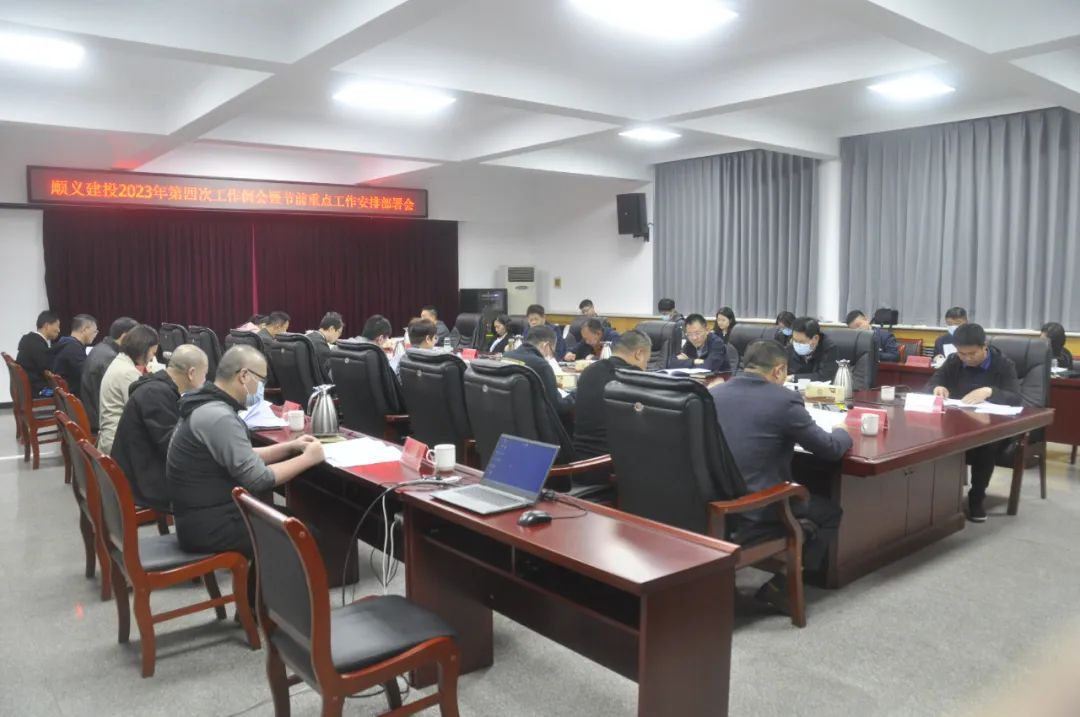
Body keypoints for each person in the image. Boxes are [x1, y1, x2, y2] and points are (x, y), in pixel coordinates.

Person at [710, 340, 849, 611]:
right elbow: (830, 450)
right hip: (756, 508)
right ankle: (783, 586)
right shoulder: (783, 400)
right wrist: (842, 431)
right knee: (830, 512)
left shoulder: (716, 394)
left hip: (716, 503)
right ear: (778, 371)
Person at [166, 345, 325, 558]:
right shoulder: (218, 416)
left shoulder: (205, 404)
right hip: (210, 526)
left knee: (293, 519)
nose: (262, 387)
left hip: (200, 517)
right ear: (244, 376)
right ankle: (267, 580)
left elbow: (243, 456)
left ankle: (262, 579)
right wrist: (309, 458)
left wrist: (289, 447)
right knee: (306, 535)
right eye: (261, 380)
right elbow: (259, 479)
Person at [927, 323, 1023, 522]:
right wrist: (937, 387)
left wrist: (990, 391)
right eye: (962, 353)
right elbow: (934, 381)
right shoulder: (954, 361)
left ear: (984, 346)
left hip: (995, 428)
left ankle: (976, 498)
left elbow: (1015, 397)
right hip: (957, 424)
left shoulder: (1003, 364)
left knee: (986, 445)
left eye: (972, 353)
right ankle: (939, 497)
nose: (967, 358)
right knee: (930, 436)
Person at [111, 345, 209, 512]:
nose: (205, 380)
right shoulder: (156, 394)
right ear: (192, 373)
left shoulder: (157, 387)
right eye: (204, 374)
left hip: (139, 471)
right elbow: (173, 448)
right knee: (217, 485)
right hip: (142, 484)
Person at [572, 329, 650, 460]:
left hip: (580, 457)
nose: (645, 367)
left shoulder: (589, 370)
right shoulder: (633, 377)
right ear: (639, 354)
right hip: (611, 462)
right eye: (646, 362)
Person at [97, 325, 159, 455]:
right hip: (117, 443)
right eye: (153, 353)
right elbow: (143, 411)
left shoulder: (120, 361)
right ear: (143, 349)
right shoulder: (127, 373)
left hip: (111, 436)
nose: (152, 359)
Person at [81, 316, 138, 432]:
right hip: (100, 420)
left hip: (91, 409)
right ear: (125, 336)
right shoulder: (110, 357)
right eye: (136, 337)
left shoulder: (100, 347)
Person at [505, 324, 573, 417]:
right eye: (553, 351)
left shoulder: (507, 355)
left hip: (512, 417)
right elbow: (557, 406)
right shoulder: (541, 365)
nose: (552, 355)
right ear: (546, 346)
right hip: (538, 421)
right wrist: (575, 394)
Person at [16, 310, 62, 396]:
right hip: (37, 389)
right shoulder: (37, 344)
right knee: (67, 391)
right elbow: (50, 367)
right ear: (47, 326)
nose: (59, 330)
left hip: (28, 387)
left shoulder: (30, 339)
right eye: (57, 326)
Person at [51, 314, 98, 396]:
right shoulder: (73, 348)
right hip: (76, 396)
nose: (95, 335)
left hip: (67, 394)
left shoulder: (65, 343)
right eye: (95, 331)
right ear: (85, 329)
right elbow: (87, 375)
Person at [787, 317, 839, 383]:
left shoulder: (829, 348)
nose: (797, 344)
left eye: (801, 342)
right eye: (795, 340)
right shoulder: (791, 347)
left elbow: (825, 376)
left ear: (816, 338)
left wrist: (793, 378)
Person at [307, 311, 343, 380]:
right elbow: (327, 378)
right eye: (339, 333)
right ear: (331, 329)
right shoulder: (323, 348)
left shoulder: (308, 337)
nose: (339, 336)